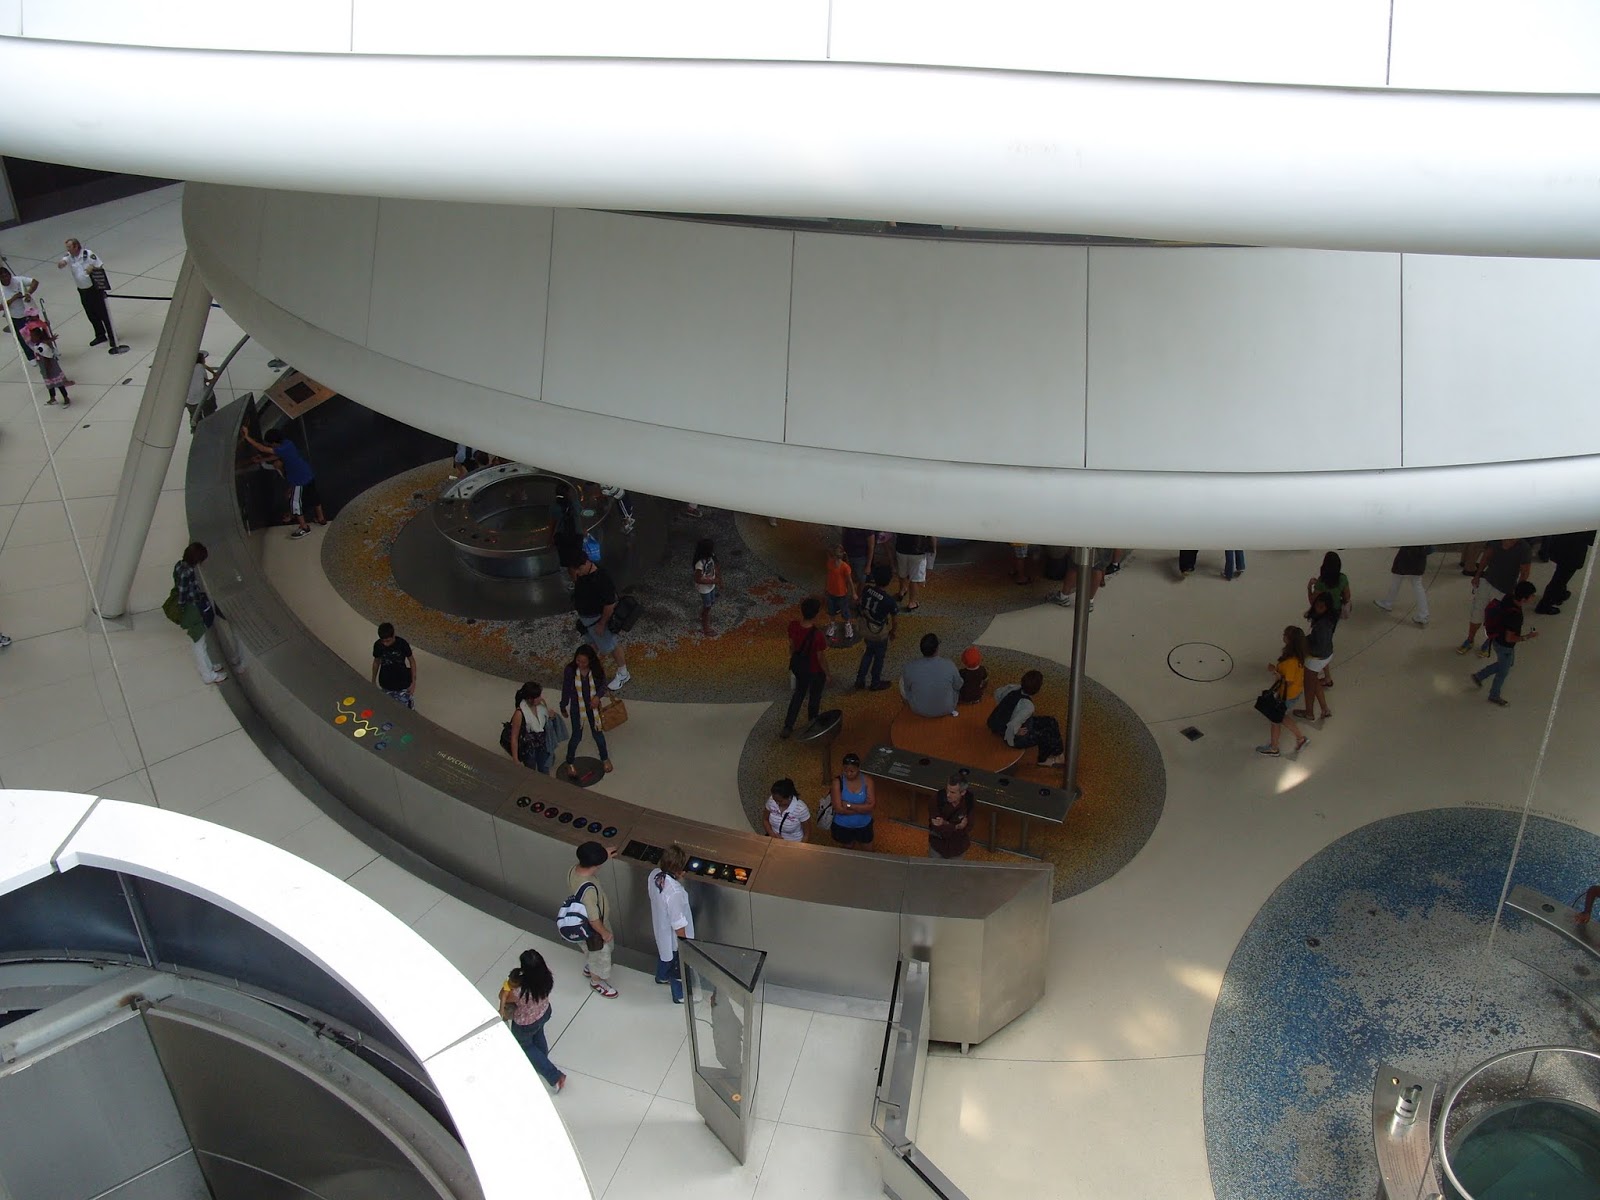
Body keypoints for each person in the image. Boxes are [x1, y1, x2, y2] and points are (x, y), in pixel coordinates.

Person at [171, 542, 245, 684]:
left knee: (202, 644)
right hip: (192, 610)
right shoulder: (187, 572)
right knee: (199, 644)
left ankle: (209, 667)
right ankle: (208, 675)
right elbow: (182, 594)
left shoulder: (179, 565)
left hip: (192, 608)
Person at [498, 949, 565, 1090]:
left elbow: (502, 996)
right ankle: (542, 1061)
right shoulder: (547, 977)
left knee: (525, 1046)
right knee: (538, 1034)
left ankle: (554, 1075)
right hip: (544, 1012)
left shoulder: (519, 990)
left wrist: (507, 985)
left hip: (525, 1023)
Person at [244, 428, 326, 538]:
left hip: (299, 480)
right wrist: (261, 460)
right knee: (314, 497)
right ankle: (321, 518)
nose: (271, 447)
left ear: (274, 443)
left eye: (271, 445)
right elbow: (278, 455)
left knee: (295, 504)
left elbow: (262, 448)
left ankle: (304, 528)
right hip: (308, 474)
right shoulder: (288, 444)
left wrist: (247, 437)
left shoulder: (281, 450)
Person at [1471, 581, 1539, 707]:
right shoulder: (1515, 616)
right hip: (1504, 646)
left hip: (1496, 638)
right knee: (1503, 672)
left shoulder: (1508, 598)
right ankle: (1494, 695)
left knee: (1507, 664)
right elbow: (1510, 638)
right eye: (1532, 595)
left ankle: (1480, 676)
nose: (1534, 597)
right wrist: (1527, 637)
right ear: (1524, 599)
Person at [1459, 538, 1532, 656]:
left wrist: (1516, 595)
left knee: (1495, 620)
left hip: (1505, 590)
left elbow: (1524, 573)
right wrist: (1477, 575)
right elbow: (1486, 557)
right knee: (1477, 613)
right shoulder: (1496, 539)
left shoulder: (1524, 549)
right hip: (1487, 582)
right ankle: (1470, 639)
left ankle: (1488, 642)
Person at [566, 841, 618, 997]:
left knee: (591, 953)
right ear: (595, 865)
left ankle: (591, 966)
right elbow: (594, 920)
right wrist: (605, 933)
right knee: (600, 954)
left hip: (583, 923)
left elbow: (589, 868)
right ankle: (597, 981)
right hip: (592, 930)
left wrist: (602, 856)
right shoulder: (588, 891)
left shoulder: (574, 870)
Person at [56, 238, 124, 351]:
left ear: (76, 246)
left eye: (69, 247)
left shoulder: (88, 254)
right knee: (91, 314)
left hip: (94, 290)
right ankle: (100, 335)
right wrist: (61, 263)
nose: (68, 249)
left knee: (103, 313)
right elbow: (62, 263)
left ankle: (112, 336)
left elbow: (99, 265)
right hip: (82, 290)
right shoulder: (69, 256)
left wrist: (92, 268)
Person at [571, 557, 630, 687]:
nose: (578, 573)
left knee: (611, 645)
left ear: (587, 563)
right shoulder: (583, 574)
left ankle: (623, 673)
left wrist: (602, 624)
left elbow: (610, 604)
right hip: (586, 619)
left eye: (579, 569)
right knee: (592, 644)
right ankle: (590, 672)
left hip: (597, 620)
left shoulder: (602, 578)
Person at [647, 844, 695, 1003]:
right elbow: (677, 922)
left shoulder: (654, 875)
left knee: (664, 955)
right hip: (673, 935)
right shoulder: (674, 891)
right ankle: (679, 995)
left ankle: (661, 977)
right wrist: (684, 943)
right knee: (676, 962)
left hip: (660, 926)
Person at [988, 670, 1065, 766]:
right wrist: (1016, 731)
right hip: (1013, 737)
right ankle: (1043, 760)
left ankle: (1058, 752)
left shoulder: (1012, 688)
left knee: (1051, 721)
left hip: (1002, 724)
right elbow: (1012, 725)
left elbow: (997, 693)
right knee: (1044, 734)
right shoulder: (1028, 706)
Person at [1257, 626, 1310, 757]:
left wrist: (1274, 671)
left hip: (1287, 695)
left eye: (1285, 635)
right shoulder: (1297, 656)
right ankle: (1300, 739)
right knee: (1281, 717)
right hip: (1292, 693)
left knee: (1276, 720)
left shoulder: (1291, 661)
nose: (1283, 636)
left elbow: (1288, 681)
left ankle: (1274, 748)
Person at [560, 644, 612, 775]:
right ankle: (570, 761)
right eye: (578, 660)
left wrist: (597, 697)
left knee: (598, 734)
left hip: (592, 707)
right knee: (576, 736)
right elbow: (566, 688)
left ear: (590, 661)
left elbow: (603, 684)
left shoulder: (596, 670)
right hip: (577, 707)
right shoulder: (570, 670)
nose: (580, 664)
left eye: (584, 662)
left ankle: (604, 758)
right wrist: (563, 705)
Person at [781, 597, 828, 738]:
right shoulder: (818, 635)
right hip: (814, 670)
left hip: (799, 667)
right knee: (814, 697)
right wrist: (828, 673)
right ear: (816, 614)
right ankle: (812, 723)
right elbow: (820, 658)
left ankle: (788, 726)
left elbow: (792, 646)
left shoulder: (793, 626)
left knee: (799, 695)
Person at [854, 564, 899, 692]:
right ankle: (875, 682)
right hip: (878, 633)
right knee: (879, 657)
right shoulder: (889, 601)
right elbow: (895, 621)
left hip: (865, 628)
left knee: (868, 653)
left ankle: (860, 680)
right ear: (889, 581)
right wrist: (892, 632)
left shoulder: (867, 589)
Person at [899, 632, 962, 718]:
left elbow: (907, 689)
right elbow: (958, 685)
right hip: (948, 708)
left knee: (902, 680)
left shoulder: (909, 667)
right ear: (937, 648)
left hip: (918, 709)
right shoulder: (949, 665)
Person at [1297, 592, 1338, 720]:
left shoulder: (1322, 626)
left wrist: (1304, 649)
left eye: (1321, 607)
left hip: (1316, 658)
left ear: (1327, 607)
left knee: (1309, 687)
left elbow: (1318, 646)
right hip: (1326, 654)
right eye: (1317, 605)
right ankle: (1324, 709)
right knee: (1314, 682)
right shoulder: (1330, 618)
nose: (1317, 608)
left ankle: (1309, 712)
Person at [1535, 530, 1594, 616]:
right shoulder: (1589, 522)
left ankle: (1560, 594)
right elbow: (1591, 540)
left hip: (1561, 546)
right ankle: (1544, 605)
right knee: (1560, 579)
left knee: (1561, 574)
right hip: (1572, 553)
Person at [1373, 546, 1431, 626]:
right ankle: (1423, 615)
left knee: (1396, 580)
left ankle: (1388, 603)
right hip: (1420, 558)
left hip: (1405, 557)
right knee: (1417, 585)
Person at [829, 752, 876, 846]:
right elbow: (838, 809)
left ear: (858, 769)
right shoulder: (837, 782)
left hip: (864, 824)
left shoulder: (867, 781)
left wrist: (850, 805)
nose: (849, 774)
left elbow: (872, 806)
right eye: (846, 771)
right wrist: (862, 809)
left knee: (868, 849)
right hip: (843, 825)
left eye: (852, 771)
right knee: (847, 849)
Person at [507, 681, 554, 774]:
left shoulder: (541, 704)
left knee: (544, 769)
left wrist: (551, 716)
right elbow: (514, 737)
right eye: (537, 697)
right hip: (529, 748)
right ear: (529, 699)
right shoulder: (519, 714)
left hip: (542, 745)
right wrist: (515, 759)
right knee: (530, 770)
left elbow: (545, 719)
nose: (540, 698)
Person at [370, 622, 417, 708]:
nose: (385, 644)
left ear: (393, 635)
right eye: (383, 641)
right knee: (388, 708)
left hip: (403, 683)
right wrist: (373, 680)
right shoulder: (378, 645)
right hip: (386, 683)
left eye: (388, 641)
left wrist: (413, 682)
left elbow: (412, 661)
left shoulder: (402, 644)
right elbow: (376, 662)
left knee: (405, 709)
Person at [928, 775, 976, 859]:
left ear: (962, 792)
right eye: (947, 790)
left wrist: (945, 824)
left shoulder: (969, 801)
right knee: (934, 870)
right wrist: (956, 827)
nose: (948, 795)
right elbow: (936, 826)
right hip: (938, 846)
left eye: (953, 792)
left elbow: (968, 827)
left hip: (958, 847)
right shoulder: (937, 799)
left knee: (954, 871)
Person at [1, 264, 41, 361]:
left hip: (30, 312)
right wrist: (12, 299)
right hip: (16, 316)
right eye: (3, 277)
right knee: (23, 338)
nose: (6, 279)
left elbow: (34, 282)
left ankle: (43, 351)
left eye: (7, 276)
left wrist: (28, 293)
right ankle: (31, 357)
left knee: (37, 333)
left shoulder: (18, 280)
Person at [29, 325, 71, 406]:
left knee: (59, 384)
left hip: (50, 369)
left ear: (38, 337)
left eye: (32, 336)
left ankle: (66, 398)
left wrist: (47, 371)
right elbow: (45, 341)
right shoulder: (38, 344)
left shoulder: (43, 348)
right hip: (44, 368)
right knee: (50, 385)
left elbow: (47, 360)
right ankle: (52, 398)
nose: (31, 338)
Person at [891, 532, 933, 610]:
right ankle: (912, 602)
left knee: (902, 572)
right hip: (918, 550)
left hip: (901, 548)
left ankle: (902, 591)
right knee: (915, 579)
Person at [824, 545, 855, 641]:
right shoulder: (830, 563)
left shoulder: (845, 567)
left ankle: (848, 625)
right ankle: (832, 624)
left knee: (845, 611)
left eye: (836, 558)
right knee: (831, 610)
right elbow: (830, 576)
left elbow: (850, 581)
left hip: (842, 594)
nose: (835, 560)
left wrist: (853, 593)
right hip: (831, 592)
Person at [1307, 552, 1352, 618]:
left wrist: (1309, 587)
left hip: (1324, 614)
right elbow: (1347, 598)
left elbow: (1312, 602)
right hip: (1336, 611)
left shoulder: (1321, 582)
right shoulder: (1343, 578)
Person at [184, 352, 221, 428]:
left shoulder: (186, 367)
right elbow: (204, 380)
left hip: (190, 400)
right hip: (205, 397)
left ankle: (195, 430)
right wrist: (215, 376)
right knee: (210, 414)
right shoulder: (199, 368)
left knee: (195, 417)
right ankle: (211, 427)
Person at [691, 537, 718, 637]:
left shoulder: (710, 557)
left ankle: (704, 615)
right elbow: (698, 579)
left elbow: (715, 566)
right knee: (707, 606)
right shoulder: (699, 564)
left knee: (711, 602)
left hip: (711, 585)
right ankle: (706, 627)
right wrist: (713, 580)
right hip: (705, 588)